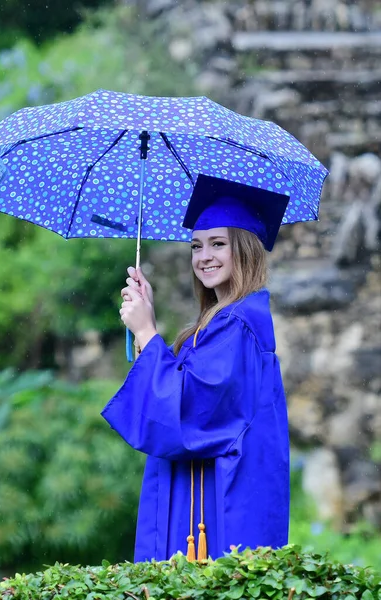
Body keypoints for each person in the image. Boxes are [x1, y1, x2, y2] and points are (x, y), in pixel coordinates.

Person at [101, 174, 291, 562]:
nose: (204, 256)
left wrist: (148, 330)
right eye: (196, 245)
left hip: (221, 501)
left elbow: (187, 409)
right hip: (202, 493)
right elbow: (178, 389)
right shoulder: (215, 325)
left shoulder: (239, 325)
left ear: (246, 250)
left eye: (218, 244)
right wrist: (146, 327)